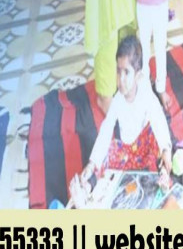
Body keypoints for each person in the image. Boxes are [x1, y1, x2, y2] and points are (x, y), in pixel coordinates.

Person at [71, 36, 172, 202]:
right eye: (118, 71)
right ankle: (90, 184)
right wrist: (92, 163)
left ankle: (163, 177)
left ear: (138, 75)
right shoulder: (117, 100)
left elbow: (158, 120)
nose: (121, 79)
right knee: (106, 153)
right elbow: (106, 130)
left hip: (146, 150)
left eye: (126, 72)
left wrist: (166, 150)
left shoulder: (146, 94)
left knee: (160, 143)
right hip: (126, 155)